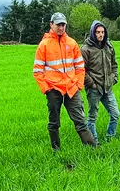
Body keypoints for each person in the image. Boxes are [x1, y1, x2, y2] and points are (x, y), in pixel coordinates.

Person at [33, 12, 97, 150]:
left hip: (72, 88)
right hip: (53, 89)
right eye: (58, 24)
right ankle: (56, 150)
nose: (61, 27)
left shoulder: (72, 43)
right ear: (51, 24)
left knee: (80, 120)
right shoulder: (44, 45)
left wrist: (79, 84)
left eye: (63, 24)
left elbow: (80, 67)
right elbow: (37, 71)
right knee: (54, 122)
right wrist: (47, 89)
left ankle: (92, 149)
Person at [81, 20, 120, 142]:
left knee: (115, 114)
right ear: (93, 33)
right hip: (94, 88)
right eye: (98, 32)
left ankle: (110, 138)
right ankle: (95, 142)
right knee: (92, 118)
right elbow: (81, 70)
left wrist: (114, 77)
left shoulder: (109, 46)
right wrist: (91, 84)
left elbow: (114, 64)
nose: (100, 35)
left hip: (107, 87)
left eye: (102, 32)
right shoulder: (86, 49)